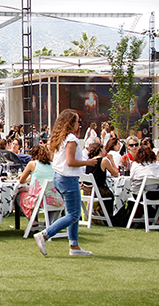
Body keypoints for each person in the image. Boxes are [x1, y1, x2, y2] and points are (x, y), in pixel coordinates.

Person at [34, 109, 102, 257]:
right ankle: (45, 234)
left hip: (60, 177)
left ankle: (74, 245)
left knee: (73, 213)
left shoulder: (61, 137)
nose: (80, 124)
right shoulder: (71, 138)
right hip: (68, 179)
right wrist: (88, 162)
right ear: (72, 123)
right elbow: (70, 162)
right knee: (74, 214)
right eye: (78, 121)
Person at [17, 145, 64, 220]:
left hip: (42, 200)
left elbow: (21, 180)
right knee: (39, 197)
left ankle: (33, 219)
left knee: (20, 195)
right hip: (57, 199)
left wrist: (28, 180)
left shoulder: (32, 164)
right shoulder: (53, 165)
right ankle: (50, 225)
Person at [81, 142, 118, 223]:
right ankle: (110, 217)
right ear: (101, 149)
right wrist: (111, 160)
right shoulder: (104, 161)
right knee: (112, 194)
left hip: (87, 190)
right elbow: (116, 174)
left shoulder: (89, 161)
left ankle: (99, 212)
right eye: (104, 148)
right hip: (97, 191)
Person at [128, 145, 159, 220]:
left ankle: (125, 218)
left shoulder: (136, 164)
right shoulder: (156, 165)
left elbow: (131, 177)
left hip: (140, 194)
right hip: (156, 194)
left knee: (127, 193)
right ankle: (156, 218)